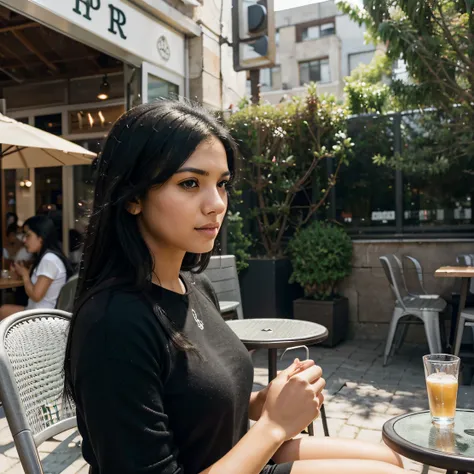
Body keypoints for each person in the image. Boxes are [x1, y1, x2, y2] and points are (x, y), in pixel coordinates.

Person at [63, 100, 407, 474]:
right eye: (190, 183)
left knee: (389, 458)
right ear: (132, 196)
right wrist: (274, 425)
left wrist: (266, 402)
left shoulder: (193, 285)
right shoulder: (113, 324)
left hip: (234, 454)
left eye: (222, 184)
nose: (216, 204)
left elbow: (196, 402)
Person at [0, 215, 73, 319]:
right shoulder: (47, 257)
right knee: (3, 310)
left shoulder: (49, 260)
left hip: (41, 317)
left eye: (28, 235)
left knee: (3, 311)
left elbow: (36, 296)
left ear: (41, 237)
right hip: (39, 312)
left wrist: (25, 275)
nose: (24, 240)